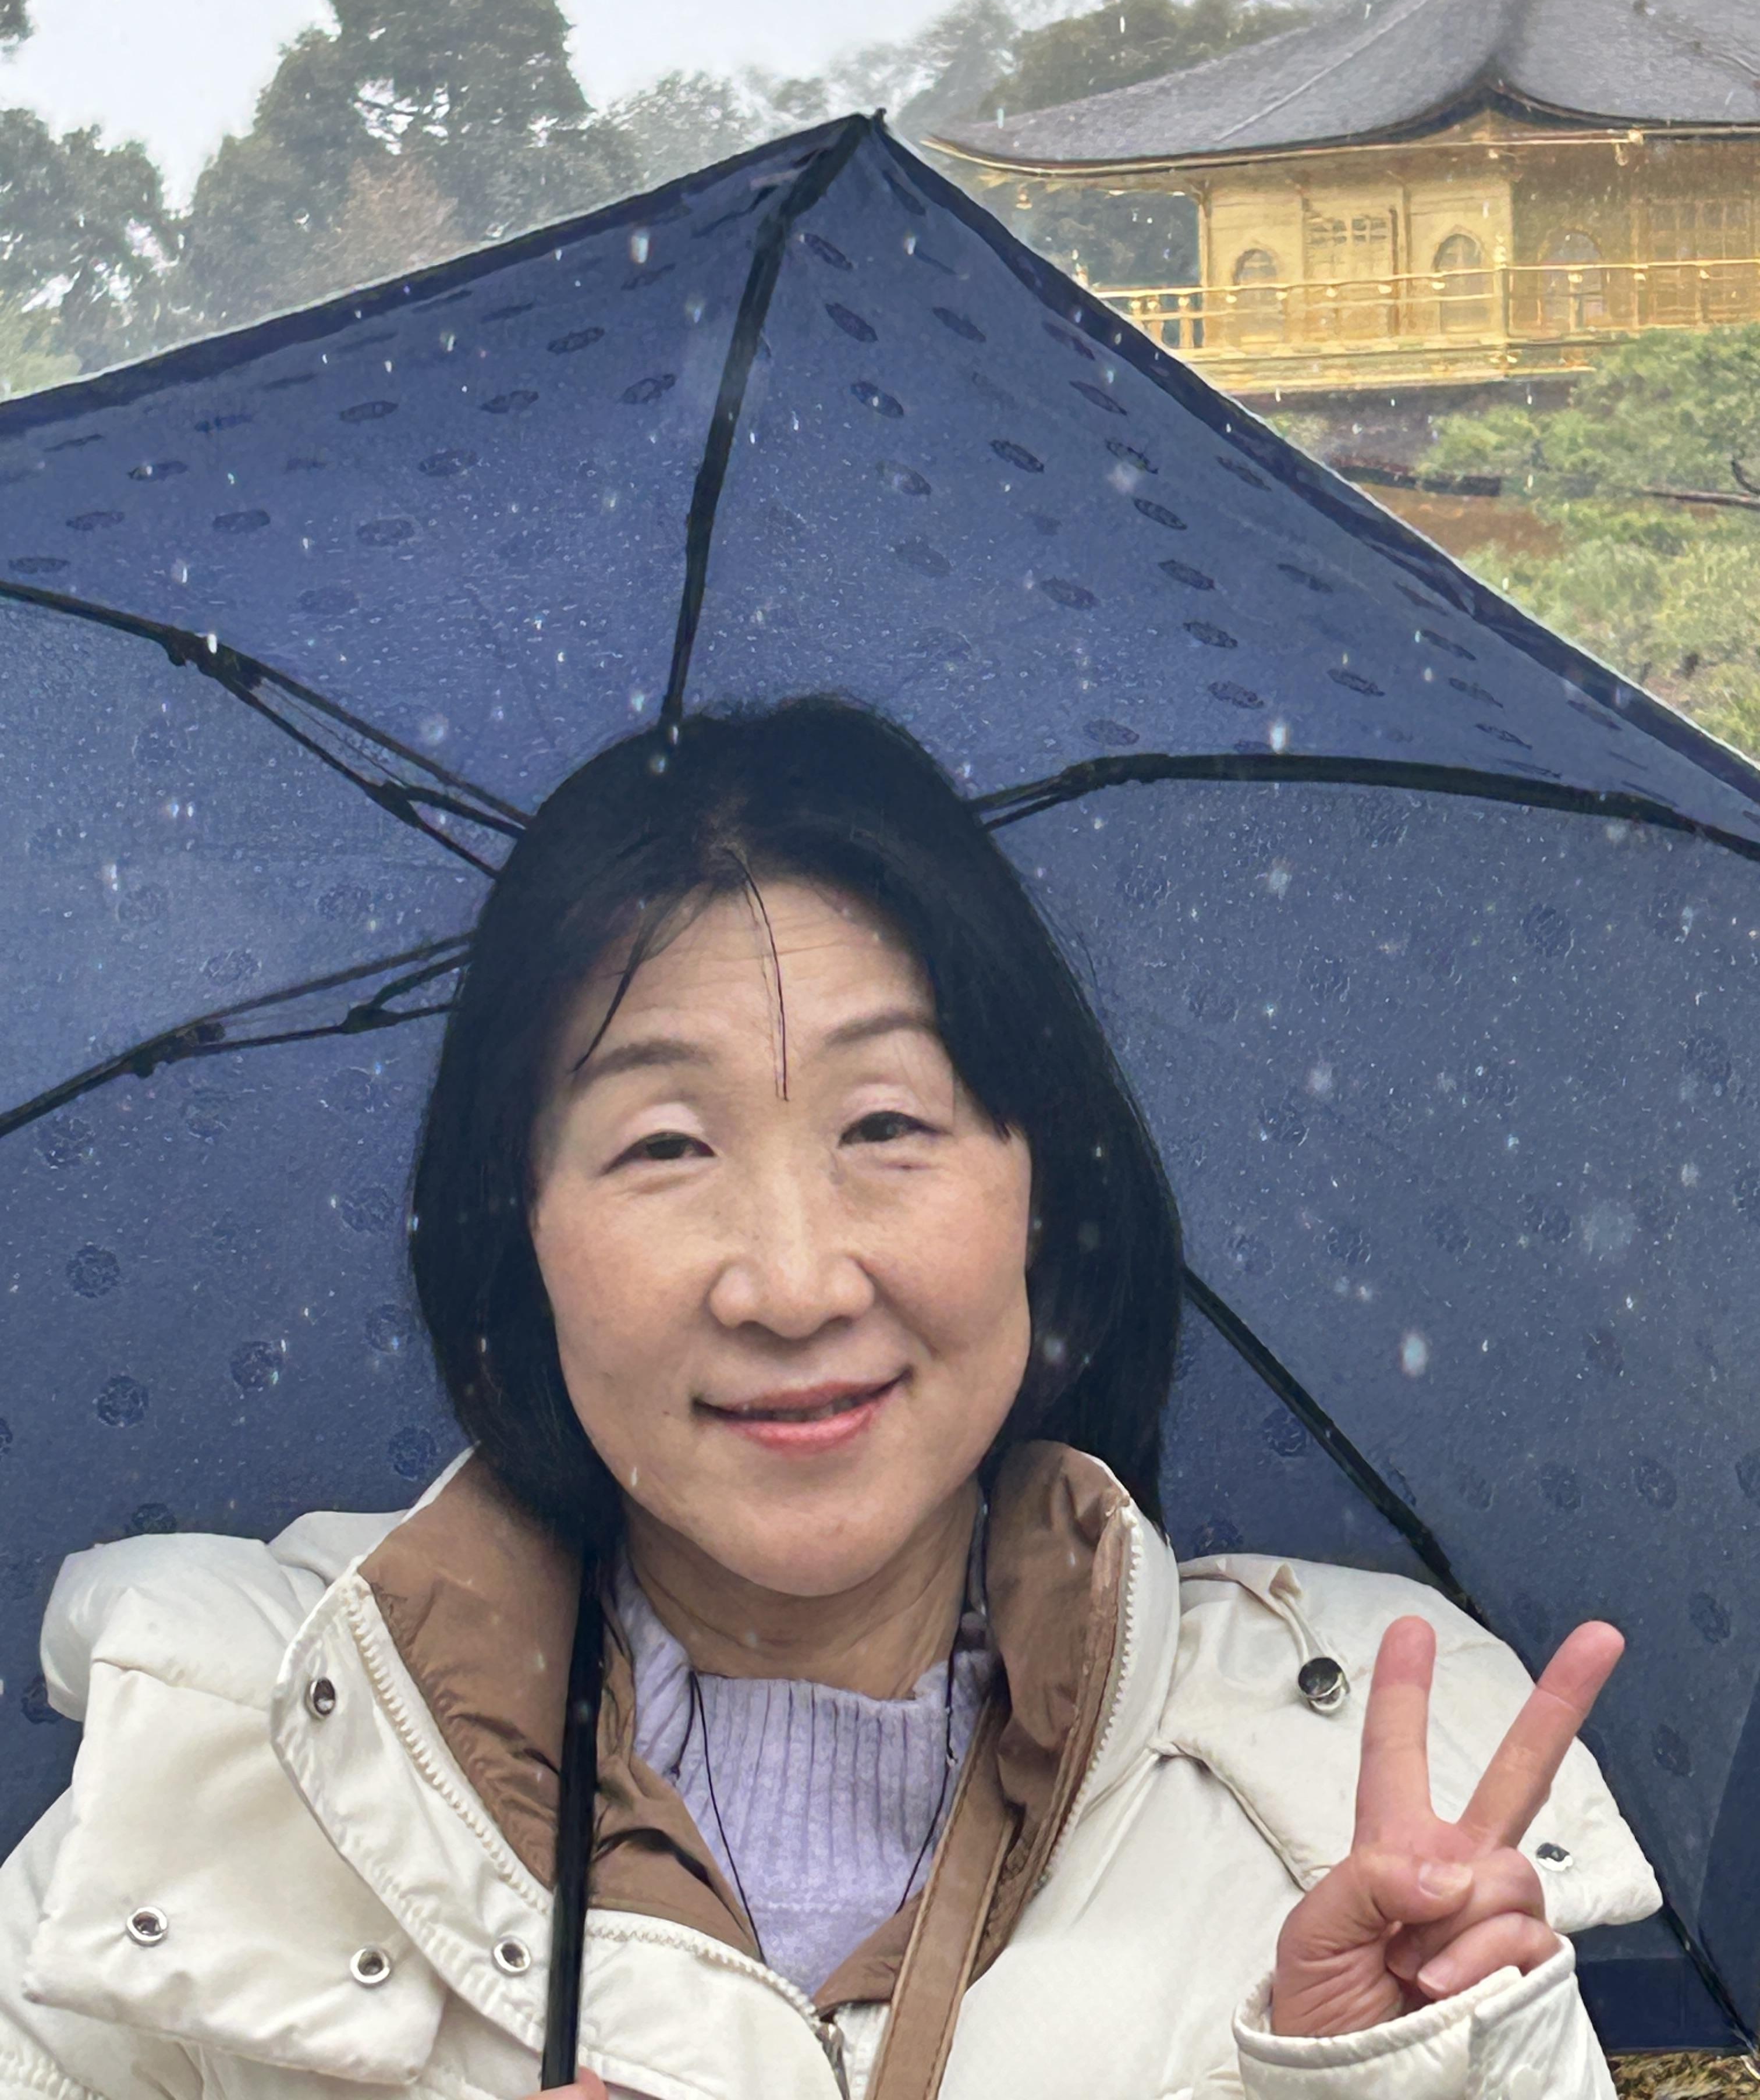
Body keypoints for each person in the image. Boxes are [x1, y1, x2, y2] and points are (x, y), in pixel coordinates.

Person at [0, 698, 1659, 2100]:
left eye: (887, 1126)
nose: (791, 1285)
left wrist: (1383, 2080)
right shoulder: (220, 1791)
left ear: (1042, 1194)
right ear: (522, 1232)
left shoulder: (1340, 1799)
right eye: (664, 1144)